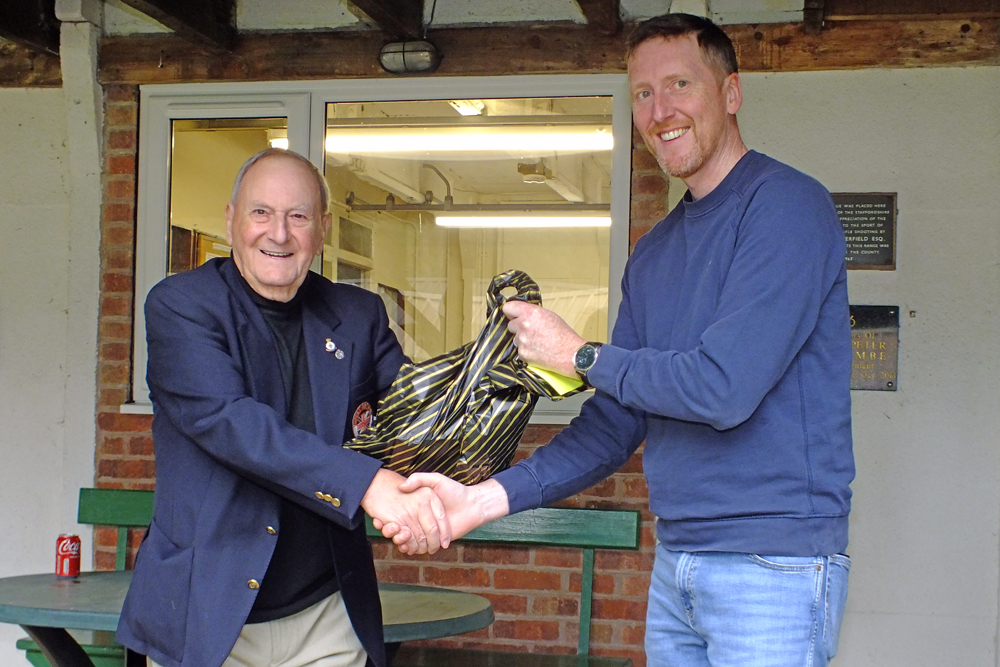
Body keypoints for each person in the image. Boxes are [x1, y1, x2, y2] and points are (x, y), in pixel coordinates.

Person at [399, 13, 854, 667]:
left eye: (679, 84)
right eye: (642, 93)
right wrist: (479, 499)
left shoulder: (785, 208)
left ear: (730, 93)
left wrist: (578, 355)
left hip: (772, 563)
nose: (660, 109)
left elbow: (724, 387)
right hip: (678, 563)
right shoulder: (656, 250)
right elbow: (613, 423)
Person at [117, 148, 451, 667]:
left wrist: (500, 369)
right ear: (231, 220)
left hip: (328, 616)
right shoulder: (180, 305)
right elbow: (232, 424)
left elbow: (415, 409)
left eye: (297, 216)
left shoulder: (357, 313)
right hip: (207, 615)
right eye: (261, 213)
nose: (278, 233)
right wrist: (367, 484)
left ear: (321, 228)